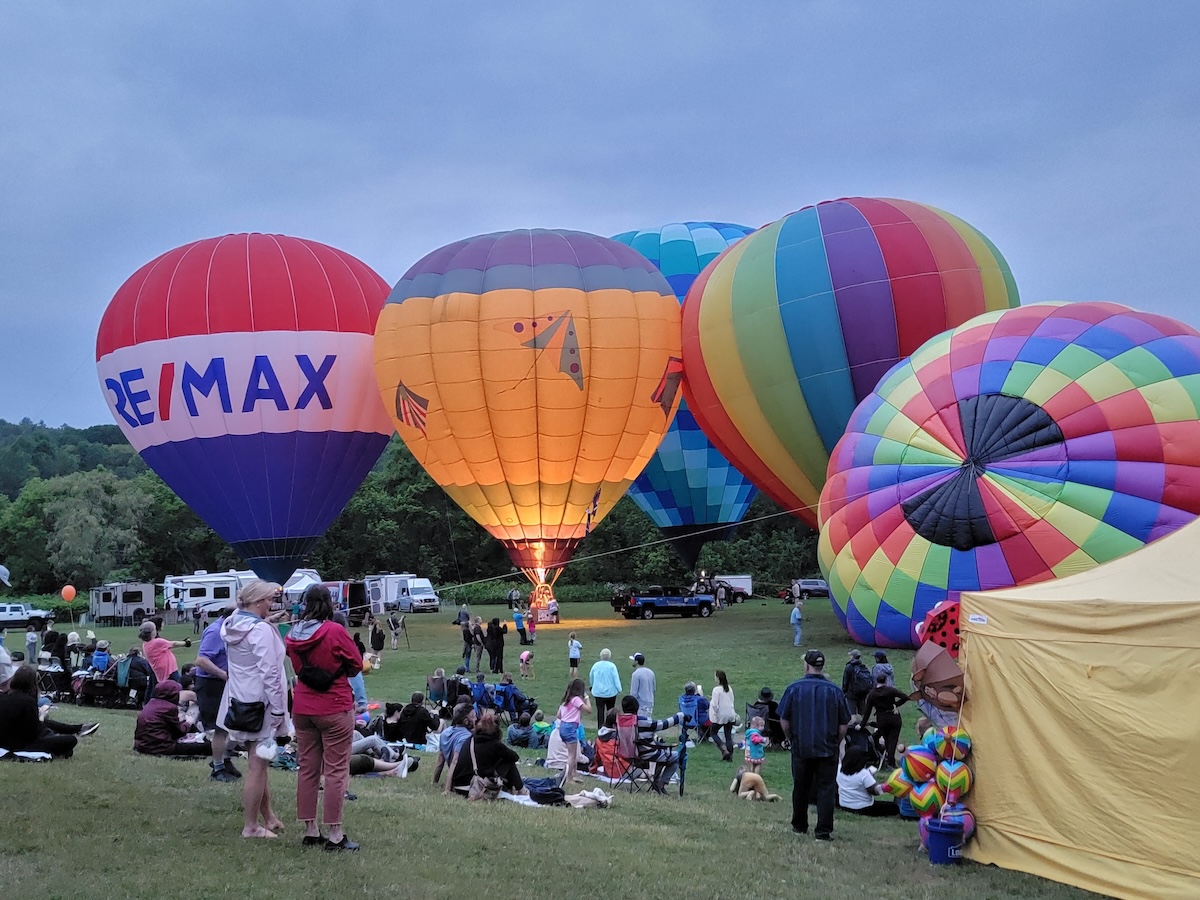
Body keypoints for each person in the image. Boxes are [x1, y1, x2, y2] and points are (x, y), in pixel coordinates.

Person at [285, 584, 364, 851]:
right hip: (334, 705)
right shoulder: (334, 631)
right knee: (336, 770)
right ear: (329, 603)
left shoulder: (293, 633)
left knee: (307, 769)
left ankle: (310, 829)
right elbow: (356, 663)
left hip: (303, 706)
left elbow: (296, 665)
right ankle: (335, 834)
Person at [219, 580, 291, 841]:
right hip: (262, 704)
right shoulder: (259, 630)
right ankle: (250, 826)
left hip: (241, 701)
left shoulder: (232, 623)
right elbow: (269, 672)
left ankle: (268, 816)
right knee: (258, 766)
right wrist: (279, 709)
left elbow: (249, 628)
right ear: (259, 602)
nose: (271, 603)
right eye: (269, 600)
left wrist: (267, 621)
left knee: (258, 762)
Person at [778, 649, 851, 841]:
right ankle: (823, 832)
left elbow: (784, 720)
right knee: (826, 789)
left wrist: (791, 738)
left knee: (800, 787)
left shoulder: (794, 688)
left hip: (801, 746)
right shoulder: (834, 691)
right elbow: (844, 723)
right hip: (827, 747)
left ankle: (799, 826)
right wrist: (837, 741)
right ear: (822, 666)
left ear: (806, 665)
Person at [0, 665, 97, 757]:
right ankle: (76, 730)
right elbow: (33, 732)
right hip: (22, 744)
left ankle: (77, 728)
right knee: (71, 740)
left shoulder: (4, 697)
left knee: (48, 726)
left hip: (5, 741)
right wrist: (41, 716)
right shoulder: (28, 701)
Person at [192, 601, 240, 782]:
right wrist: (224, 675)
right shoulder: (215, 632)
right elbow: (201, 660)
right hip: (211, 684)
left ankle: (224, 760)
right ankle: (218, 768)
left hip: (222, 683)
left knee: (230, 725)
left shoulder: (228, 630)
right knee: (217, 728)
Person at [620, 694, 684, 795]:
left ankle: (657, 782)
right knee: (677, 756)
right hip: (644, 755)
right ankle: (661, 783)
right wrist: (679, 716)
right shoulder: (641, 721)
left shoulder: (620, 721)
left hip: (625, 755)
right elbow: (663, 724)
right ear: (637, 708)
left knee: (663, 753)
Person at [450, 710, 525, 796]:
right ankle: (522, 790)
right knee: (508, 761)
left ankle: (512, 788)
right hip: (473, 786)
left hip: (458, 787)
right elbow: (515, 757)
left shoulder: (470, 740)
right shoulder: (494, 744)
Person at [133, 680, 211, 757]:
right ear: (173, 695)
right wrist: (189, 722)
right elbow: (180, 732)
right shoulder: (169, 708)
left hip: (142, 745)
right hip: (160, 747)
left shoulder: (151, 703)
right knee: (206, 747)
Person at [861, 672, 910, 768]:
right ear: (886, 681)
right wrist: (896, 705)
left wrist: (862, 724)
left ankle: (889, 760)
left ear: (876, 681)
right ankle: (891, 762)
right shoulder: (890, 690)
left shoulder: (872, 694)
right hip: (893, 717)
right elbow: (905, 697)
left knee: (887, 741)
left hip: (882, 719)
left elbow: (867, 711)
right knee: (893, 740)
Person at [837, 746, 899, 816]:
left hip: (844, 805)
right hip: (862, 807)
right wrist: (887, 786)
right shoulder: (864, 774)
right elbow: (875, 792)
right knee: (894, 807)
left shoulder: (839, 769)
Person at [557, 678, 592, 784]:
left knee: (574, 752)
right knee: (572, 755)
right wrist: (586, 698)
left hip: (563, 726)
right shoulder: (576, 700)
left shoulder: (566, 701)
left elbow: (559, 715)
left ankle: (574, 774)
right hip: (570, 727)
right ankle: (568, 778)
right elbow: (589, 710)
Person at [434, 703, 475, 789]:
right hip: (464, 779)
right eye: (473, 716)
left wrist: (435, 781)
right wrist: (447, 789)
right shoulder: (466, 737)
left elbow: (440, 760)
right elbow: (455, 761)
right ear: (466, 721)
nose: (476, 719)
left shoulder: (445, 733)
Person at [587, 649, 621, 731]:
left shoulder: (596, 665)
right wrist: (619, 689)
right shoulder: (612, 666)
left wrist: (592, 685)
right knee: (611, 710)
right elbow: (616, 678)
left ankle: (600, 728)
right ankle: (610, 727)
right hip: (611, 693)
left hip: (598, 693)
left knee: (600, 711)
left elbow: (591, 676)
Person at [709, 669, 737, 762]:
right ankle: (730, 756)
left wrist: (715, 714)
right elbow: (732, 701)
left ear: (718, 678)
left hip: (721, 715)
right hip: (730, 714)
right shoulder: (729, 688)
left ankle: (723, 749)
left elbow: (714, 705)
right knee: (728, 735)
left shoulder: (716, 690)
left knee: (713, 733)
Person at [841, 649, 873, 717]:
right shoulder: (863, 666)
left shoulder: (849, 667)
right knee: (862, 712)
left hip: (851, 694)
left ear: (852, 657)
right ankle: (863, 722)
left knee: (852, 713)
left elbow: (845, 681)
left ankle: (854, 723)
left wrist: (844, 692)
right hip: (862, 693)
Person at [630, 652, 656, 717]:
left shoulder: (635, 674)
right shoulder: (651, 672)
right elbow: (654, 689)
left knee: (641, 722)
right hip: (650, 703)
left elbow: (634, 693)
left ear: (636, 662)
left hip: (640, 705)